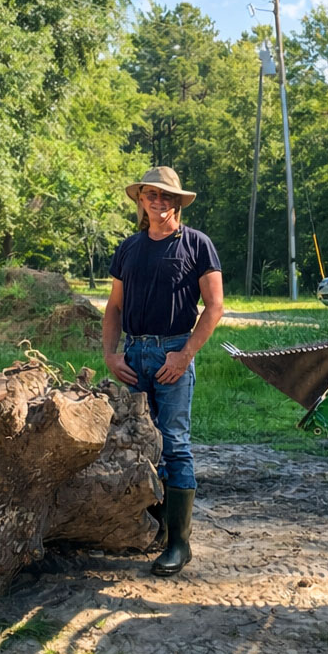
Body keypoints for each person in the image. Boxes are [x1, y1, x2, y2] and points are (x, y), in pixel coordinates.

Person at [103, 166, 224, 576]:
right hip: (134, 355)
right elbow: (114, 306)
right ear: (141, 200)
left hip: (173, 353)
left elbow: (215, 306)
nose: (159, 202)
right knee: (141, 442)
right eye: (151, 195)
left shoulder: (196, 244)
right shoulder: (129, 248)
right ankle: (153, 529)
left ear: (177, 202)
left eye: (166, 196)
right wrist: (111, 355)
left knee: (174, 444)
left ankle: (178, 544)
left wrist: (184, 355)